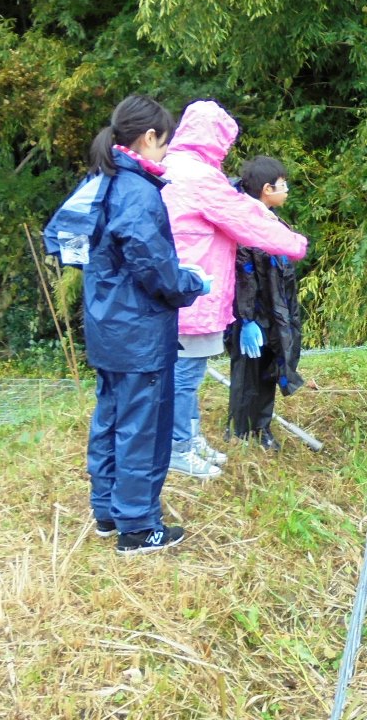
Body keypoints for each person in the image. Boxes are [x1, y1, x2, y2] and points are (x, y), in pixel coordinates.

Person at [82, 95, 210, 554]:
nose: (166, 151)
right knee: (142, 426)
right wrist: (190, 283)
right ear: (150, 137)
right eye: (166, 141)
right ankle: (137, 526)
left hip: (107, 326)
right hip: (137, 333)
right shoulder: (137, 189)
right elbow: (153, 265)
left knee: (111, 418)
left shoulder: (105, 179)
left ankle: (108, 511)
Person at [162, 101, 309, 476]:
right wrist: (294, 243)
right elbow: (245, 221)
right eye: (224, 140)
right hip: (193, 292)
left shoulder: (170, 168)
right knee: (185, 376)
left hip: (181, 288)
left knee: (185, 374)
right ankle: (179, 446)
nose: (226, 149)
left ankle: (189, 439)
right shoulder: (198, 177)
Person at [225, 156, 305, 449]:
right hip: (254, 314)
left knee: (270, 368)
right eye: (284, 185)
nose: (288, 190)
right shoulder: (247, 221)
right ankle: (243, 433)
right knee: (249, 373)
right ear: (267, 189)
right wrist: (246, 319)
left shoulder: (267, 217)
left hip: (274, 310)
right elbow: (243, 273)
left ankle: (261, 427)